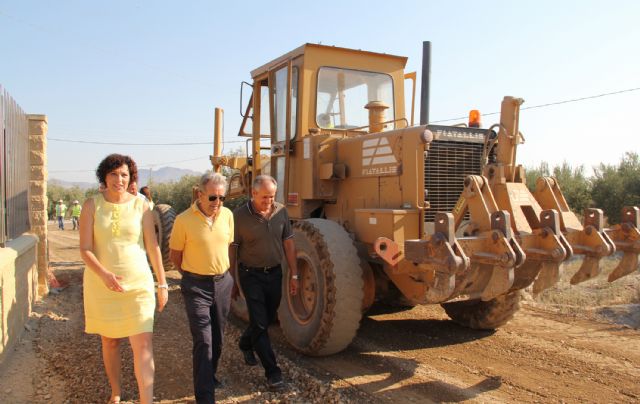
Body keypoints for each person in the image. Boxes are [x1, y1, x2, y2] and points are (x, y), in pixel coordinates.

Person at [79, 153, 168, 404]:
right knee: (110, 342)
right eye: (114, 174)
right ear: (104, 177)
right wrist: (104, 274)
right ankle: (116, 391)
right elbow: (85, 248)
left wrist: (162, 284)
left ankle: (146, 400)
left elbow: (153, 247)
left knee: (143, 344)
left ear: (131, 178)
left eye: (124, 175)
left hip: (138, 284)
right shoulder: (91, 205)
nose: (119, 179)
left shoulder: (142, 205)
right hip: (102, 285)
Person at [169, 172, 234, 404]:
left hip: (223, 283)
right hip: (196, 285)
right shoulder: (183, 220)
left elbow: (227, 246)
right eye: (212, 198)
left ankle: (210, 375)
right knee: (203, 340)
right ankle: (205, 397)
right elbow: (176, 256)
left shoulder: (227, 215)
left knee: (217, 339)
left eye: (221, 198)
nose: (217, 203)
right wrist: (191, 273)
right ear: (200, 194)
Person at [229, 175, 299, 391]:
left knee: (268, 318)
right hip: (251, 275)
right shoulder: (239, 216)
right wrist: (233, 280)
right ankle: (273, 373)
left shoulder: (281, 211)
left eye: (272, 196)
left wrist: (294, 275)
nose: (269, 201)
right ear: (253, 194)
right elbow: (233, 249)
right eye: (264, 197)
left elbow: (288, 244)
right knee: (260, 323)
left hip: (275, 273)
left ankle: (245, 343)